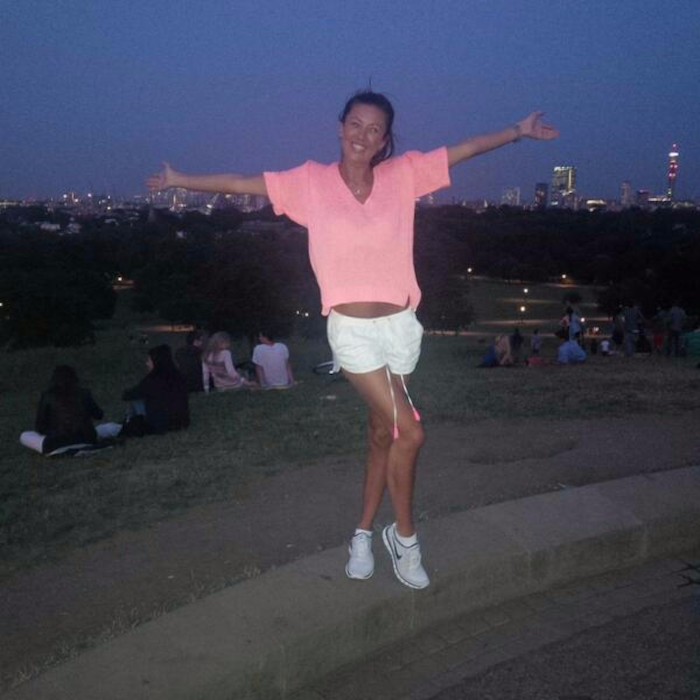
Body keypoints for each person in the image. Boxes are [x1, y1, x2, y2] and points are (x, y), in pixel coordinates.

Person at [147, 89, 558, 589]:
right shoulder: (310, 182)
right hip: (353, 332)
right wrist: (179, 179)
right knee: (411, 432)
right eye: (356, 124)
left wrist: (517, 131)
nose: (364, 135)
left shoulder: (403, 175)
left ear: (385, 140)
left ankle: (362, 533)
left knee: (383, 433)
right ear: (341, 127)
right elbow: (240, 183)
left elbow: (463, 150)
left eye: (375, 129)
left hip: (402, 327)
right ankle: (404, 537)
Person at [20, 365, 121, 455]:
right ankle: (122, 428)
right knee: (106, 428)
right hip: (86, 439)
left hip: (55, 444)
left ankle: (64, 446)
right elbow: (99, 415)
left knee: (25, 435)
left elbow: (40, 426)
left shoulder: (47, 396)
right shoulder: (84, 393)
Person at [122, 344, 190, 435]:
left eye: (149, 360)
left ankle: (129, 421)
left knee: (136, 399)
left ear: (156, 361)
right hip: (181, 422)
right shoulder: (178, 376)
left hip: (159, 424)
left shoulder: (152, 379)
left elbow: (129, 395)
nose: (147, 364)